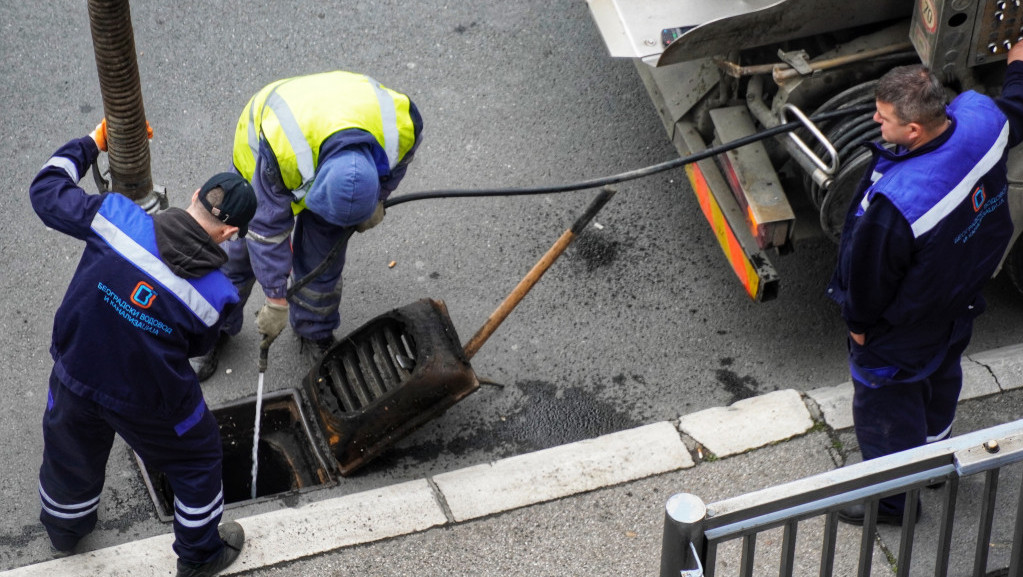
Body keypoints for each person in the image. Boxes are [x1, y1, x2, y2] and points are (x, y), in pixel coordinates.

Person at [30, 120, 257, 577]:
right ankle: (199, 557)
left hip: (76, 370)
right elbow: (199, 343)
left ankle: (64, 529)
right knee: (197, 461)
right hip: (147, 399)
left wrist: (93, 144)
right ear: (231, 236)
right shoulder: (216, 295)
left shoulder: (114, 217)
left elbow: (45, 189)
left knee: (69, 450)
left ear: (195, 196)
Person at [827, 45, 1023, 526]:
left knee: (886, 404)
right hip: (959, 297)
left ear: (912, 131)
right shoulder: (981, 120)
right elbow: (1017, 107)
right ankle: (936, 460)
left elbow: (869, 282)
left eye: (883, 118)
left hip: (903, 326)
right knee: (941, 372)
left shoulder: (898, 203)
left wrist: (858, 328)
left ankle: (891, 501)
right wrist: (1017, 63)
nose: (876, 123)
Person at [190, 70, 423, 380]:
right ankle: (210, 328)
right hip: (266, 150)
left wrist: (378, 198)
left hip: (330, 130)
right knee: (238, 252)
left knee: (323, 258)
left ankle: (313, 331)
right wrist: (275, 298)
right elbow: (265, 234)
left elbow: (399, 164)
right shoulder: (283, 148)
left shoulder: (401, 125)